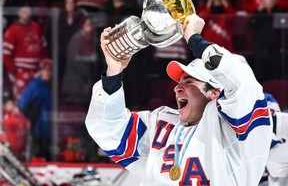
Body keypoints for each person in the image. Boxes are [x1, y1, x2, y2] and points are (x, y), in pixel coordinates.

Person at [86, 14, 272, 185]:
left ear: (214, 93)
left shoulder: (238, 131)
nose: (177, 87)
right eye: (179, 81)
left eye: (189, 81)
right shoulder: (161, 123)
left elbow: (242, 83)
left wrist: (195, 40)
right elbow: (108, 131)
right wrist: (113, 72)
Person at [3, 6, 48, 100]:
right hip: (21, 72)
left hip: (36, 72)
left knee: (36, 99)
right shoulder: (12, 30)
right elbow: (6, 54)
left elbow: (43, 47)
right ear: (18, 13)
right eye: (23, 11)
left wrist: (43, 67)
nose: (26, 13)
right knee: (21, 101)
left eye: (28, 11)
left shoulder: (36, 26)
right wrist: (14, 72)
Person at [17, 58, 53, 161]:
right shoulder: (34, 86)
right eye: (45, 70)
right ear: (40, 71)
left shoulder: (50, 86)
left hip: (49, 130)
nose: (47, 72)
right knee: (37, 156)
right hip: (37, 129)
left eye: (49, 70)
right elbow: (22, 104)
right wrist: (32, 118)